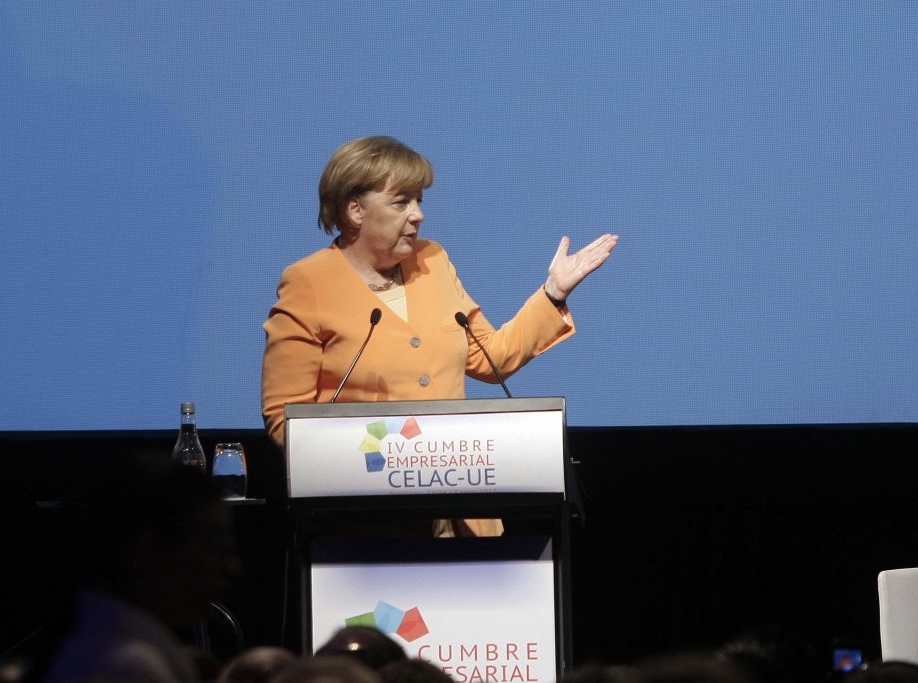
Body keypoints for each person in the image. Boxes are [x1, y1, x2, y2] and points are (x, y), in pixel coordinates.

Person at [261, 136, 618, 535]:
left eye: (419, 200)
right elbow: (283, 419)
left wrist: (553, 293)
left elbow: (491, 357)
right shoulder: (309, 283)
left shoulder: (433, 261)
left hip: (464, 512)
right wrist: (371, 457)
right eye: (401, 202)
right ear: (355, 210)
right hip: (370, 524)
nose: (418, 215)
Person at [44, 463, 240, 683]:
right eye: (216, 542)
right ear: (147, 549)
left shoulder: (96, 643)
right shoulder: (130, 669)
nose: (232, 566)